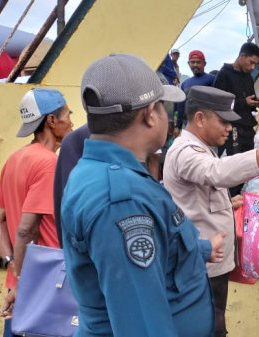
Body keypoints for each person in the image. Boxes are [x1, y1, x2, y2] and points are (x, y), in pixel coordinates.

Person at [60, 53, 224, 336]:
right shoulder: (123, 203)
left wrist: (202, 250)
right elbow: (142, 325)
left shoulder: (100, 172)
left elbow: (148, 254)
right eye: (163, 107)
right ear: (150, 114)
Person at [163, 86, 259, 337]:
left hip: (211, 265)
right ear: (200, 118)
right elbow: (217, 172)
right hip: (199, 268)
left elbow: (203, 190)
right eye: (223, 121)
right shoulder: (184, 151)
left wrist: (227, 203)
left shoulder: (200, 149)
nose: (228, 128)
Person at [0, 88, 73, 335]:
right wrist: (25, 280)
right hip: (45, 284)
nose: (71, 122)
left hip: (20, 281)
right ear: (51, 120)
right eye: (67, 114)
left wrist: (12, 265)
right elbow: (26, 230)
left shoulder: (14, 159)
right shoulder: (49, 164)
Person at [213, 42, 259, 168]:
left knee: (247, 168)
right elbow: (218, 103)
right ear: (242, 56)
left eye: (255, 64)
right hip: (231, 132)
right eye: (251, 62)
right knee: (230, 169)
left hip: (247, 130)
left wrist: (255, 103)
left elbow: (249, 99)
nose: (253, 67)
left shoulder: (248, 78)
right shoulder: (224, 74)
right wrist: (243, 102)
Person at [175, 50, 216, 135]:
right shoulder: (185, 83)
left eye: (198, 62)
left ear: (204, 63)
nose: (195, 65)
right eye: (192, 62)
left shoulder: (212, 79)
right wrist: (178, 126)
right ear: (188, 63)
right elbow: (181, 106)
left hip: (206, 123)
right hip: (188, 123)